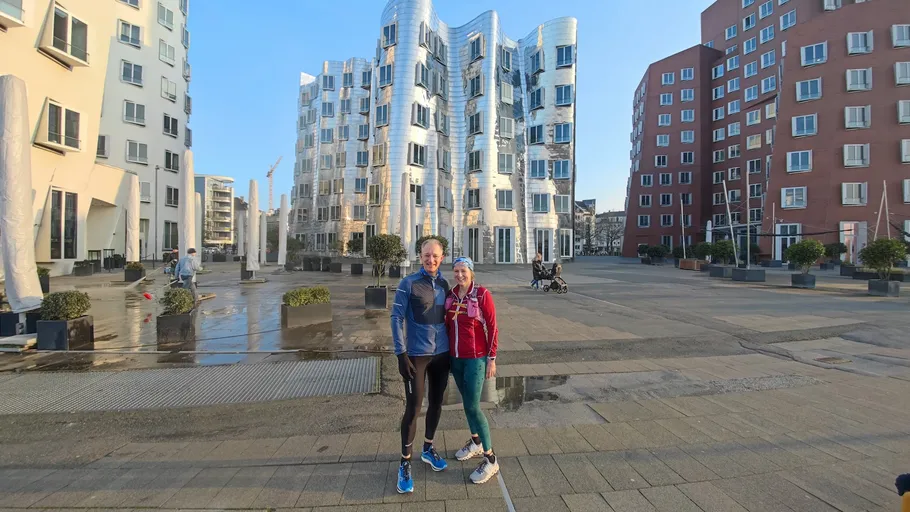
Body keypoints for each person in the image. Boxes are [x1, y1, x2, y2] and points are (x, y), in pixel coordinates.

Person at [390, 238, 451, 494]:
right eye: (427, 255)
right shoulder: (409, 283)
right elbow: (396, 317)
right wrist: (400, 353)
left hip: (442, 354)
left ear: (442, 257)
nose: (431, 259)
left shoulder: (446, 284)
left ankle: (427, 448)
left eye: (435, 256)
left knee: (436, 403)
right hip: (416, 355)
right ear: (420, 256)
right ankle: (405, 462)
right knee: (414, 408)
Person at [445, 256, 500, 484]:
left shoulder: (482, 294)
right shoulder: (450, 295)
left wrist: (492, 358)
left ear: (471, 272)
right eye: (456, 271)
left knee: (473, 407)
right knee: (466, 404)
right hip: (455, 359)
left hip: (476, 359)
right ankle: (476, 442)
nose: (459, 275)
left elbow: (493, 326)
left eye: (463, 271)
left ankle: (490, 459)